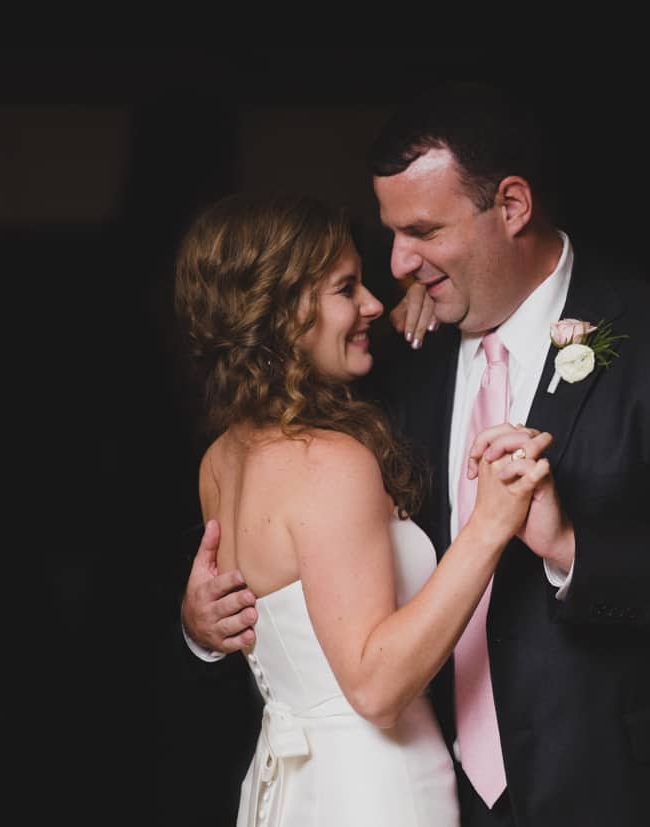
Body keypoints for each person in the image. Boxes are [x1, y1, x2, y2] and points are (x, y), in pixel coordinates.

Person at [182, 82, 650, 826]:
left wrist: (574, 548)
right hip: (432, 796)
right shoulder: (394, 361)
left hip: (621, 792)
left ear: (511, 206)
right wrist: (209, 621)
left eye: (423, 231)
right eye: (390, 234)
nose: (399, 264)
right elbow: (299, 534)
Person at [173, 192, 555, 826]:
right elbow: (374, 689)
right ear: (284, 311)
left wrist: (197, 629)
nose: (375, 303)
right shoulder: (329, 461)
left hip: (294, 787)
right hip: (376, 787)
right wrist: (490, 524)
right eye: (347, 288)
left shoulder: (221, 458)